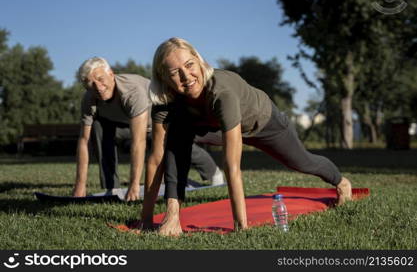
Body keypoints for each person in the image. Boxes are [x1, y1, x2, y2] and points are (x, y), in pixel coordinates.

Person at [143, 37, 352, 236]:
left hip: (263, 122)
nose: (186, 77)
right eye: (174, 72)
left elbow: (232, 166)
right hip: (213, 126)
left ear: (199, 61)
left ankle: (341, 182)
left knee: (302, 162)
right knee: (176, 137)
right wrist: (145, 222)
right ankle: (172, 215)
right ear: (164, 77)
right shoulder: (165, 102)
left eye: (189, 65)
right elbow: (157, 158)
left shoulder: (221, 93)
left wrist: (240, 226)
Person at [72, 57, 224, 201]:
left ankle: (213, 172)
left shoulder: (132, 91)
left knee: (177, 145)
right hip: (125, 123)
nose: (98, 87)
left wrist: (134, 186)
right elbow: (84, 141)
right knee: (98, 128)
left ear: (111, 74)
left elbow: (138, 141)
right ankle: (111, 188)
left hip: (159, 122)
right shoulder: (89, 99)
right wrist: (80, 186)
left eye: (100, 79)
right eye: (90, 83)